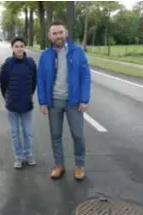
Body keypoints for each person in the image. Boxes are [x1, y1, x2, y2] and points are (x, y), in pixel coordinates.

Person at [37, 21, 91, 180]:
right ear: (49, 36)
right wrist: (42, 101)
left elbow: (86, 76)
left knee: (78, 135)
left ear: (66, 34)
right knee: (55, 135)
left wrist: (84, 99)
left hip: (73, 102)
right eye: (54, 33)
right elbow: (40, 80)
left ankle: (79, 165)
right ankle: (59, 165)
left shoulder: (77, 52)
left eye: (60, 32)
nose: (58, 36)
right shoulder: (45, 55)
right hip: (54, 102)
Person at [0, 37, 37, 169]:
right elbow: (3, 85)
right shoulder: (7, 65)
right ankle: (18, 157)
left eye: (21, 46)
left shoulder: (31, 63)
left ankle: (28, 154)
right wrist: (8, 98)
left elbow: (34, 83)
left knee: (27, 132)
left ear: (24, 47)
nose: (19, 48)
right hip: (12, 105)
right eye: (16, 46)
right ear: (12, 48)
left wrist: (28, 95)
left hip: (27, 104)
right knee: (15, 133)